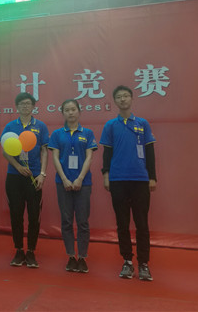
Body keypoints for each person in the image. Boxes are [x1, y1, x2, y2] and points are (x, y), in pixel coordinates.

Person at [100, 85, 157, 281]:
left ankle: (144, 263)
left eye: (126, 96)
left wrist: (152, 177)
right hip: (118, 180)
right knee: (122, 223)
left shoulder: (142, 123)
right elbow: (107, 153)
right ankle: (127, 261)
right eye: (119, 97)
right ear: (115, 101)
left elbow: (150, 152)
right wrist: (106, 175)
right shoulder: (110, 125)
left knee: (142, 223)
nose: (123, 99)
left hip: (140, 179)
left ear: (132, 99)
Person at [1, 92, 49, 268]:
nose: (25, 106)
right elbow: (5, 151)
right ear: (17, 107)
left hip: (34, 177)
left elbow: (45, 151)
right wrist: (17, 166)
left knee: (34, 215)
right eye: (21, 104)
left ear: (33, 106)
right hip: (14, 177)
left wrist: (42, 174)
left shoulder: (40, 126)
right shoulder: (10, 126)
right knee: (16, 214)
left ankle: (31, 252)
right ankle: (19, 250)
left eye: (28, 103)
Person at [49, 99, 97, 273]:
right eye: (67, 110)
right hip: (63, 183)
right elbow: (55, 158)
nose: (70, 112)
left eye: (73, 109)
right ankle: (70, 256)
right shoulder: (56, 134)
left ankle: (82, 257)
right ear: (63, 113)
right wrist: (64, 179)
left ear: (79, 111)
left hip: (83, 183)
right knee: (66, 221)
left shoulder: (88, 133)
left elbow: (89, 157)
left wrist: (80, 178)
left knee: (83, 221)